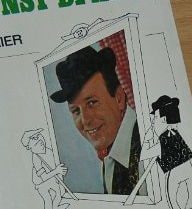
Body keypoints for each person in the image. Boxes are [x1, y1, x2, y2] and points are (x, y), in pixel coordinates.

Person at [51, 46, 143, 195]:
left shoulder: (156, 141)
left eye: (92, 102)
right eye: (76, 111)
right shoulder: (109, 157)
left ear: (119, 99)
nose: (85, 120)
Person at [140, 95, 192, 209]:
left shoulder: (161, 142)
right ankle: (189, 207)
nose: (153, 122)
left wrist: (147, 138)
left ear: (163, 119)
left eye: (155, 118)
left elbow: (144, 154)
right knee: (191, 185)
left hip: (174, 172)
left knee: (171, 197)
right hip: (187, 166)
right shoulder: (176, 133)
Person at [21, 128, 69, 209]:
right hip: (41, 183)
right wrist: (56, 171)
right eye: (36, 144)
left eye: (41, 140)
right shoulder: (36, 159)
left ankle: (55, 208)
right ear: (30, 148)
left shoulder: (49, 150)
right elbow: (43, 177)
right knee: (48, 199)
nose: (41, 144)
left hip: (50, 178)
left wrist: (57, 173)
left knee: (58, 193)